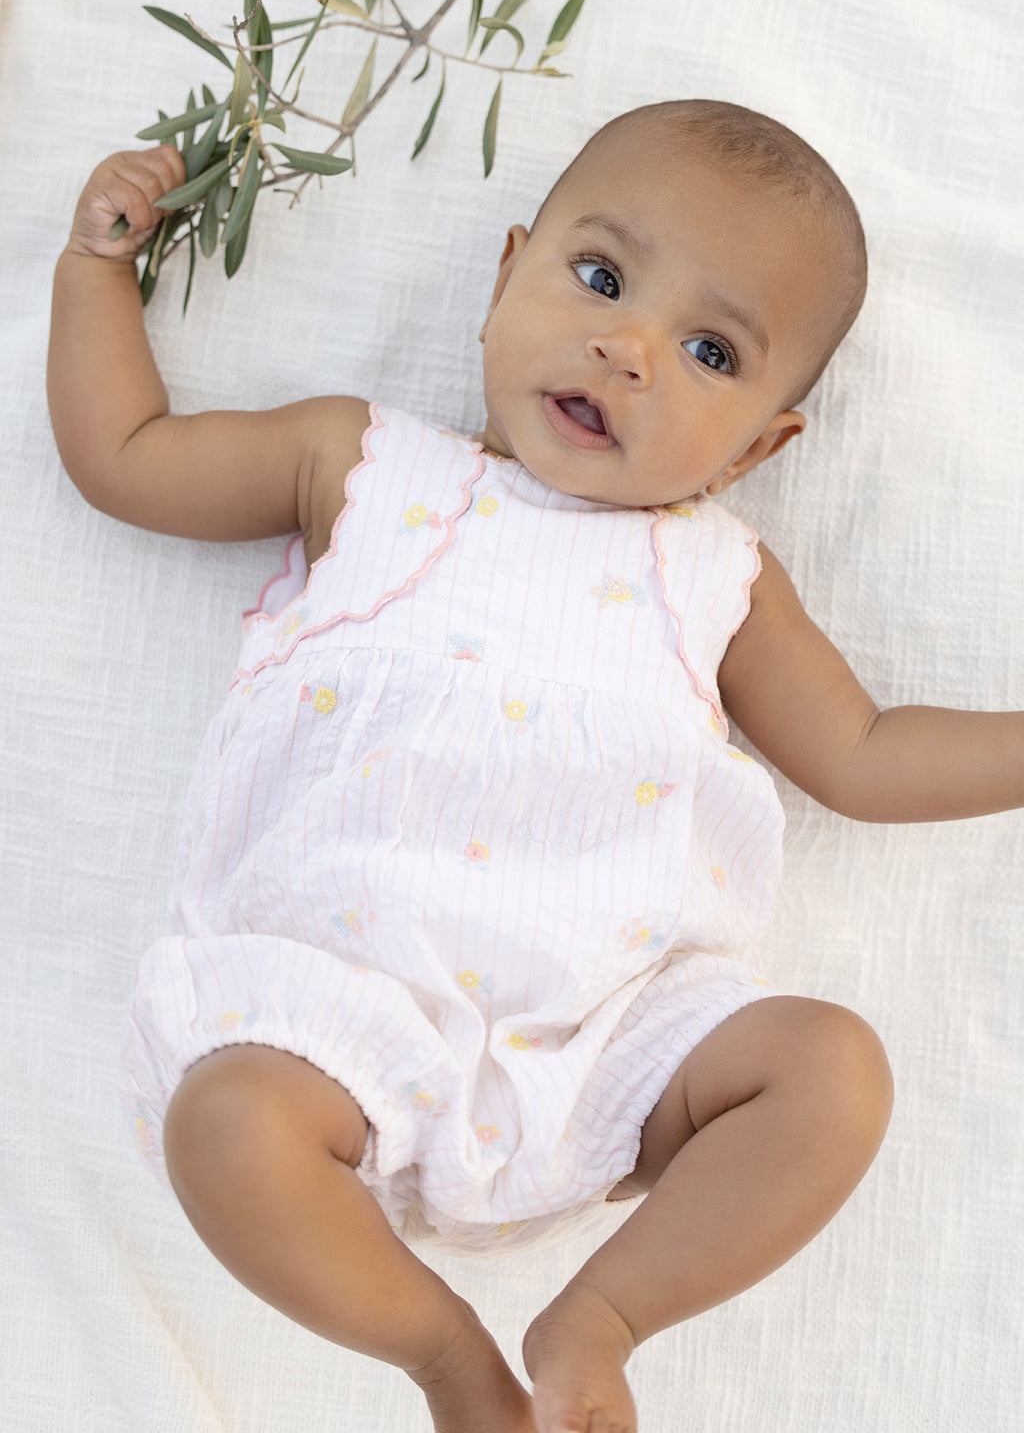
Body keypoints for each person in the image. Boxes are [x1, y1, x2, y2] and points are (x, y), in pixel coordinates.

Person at [46, 99, 1022, 1433]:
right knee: (222, 1126)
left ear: (756, 448)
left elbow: (865, 755)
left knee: (834, 1070)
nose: (628, 349)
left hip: (611, 1041)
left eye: (711, 351)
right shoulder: (364, 467)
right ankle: (452, 1362)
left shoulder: (719, 578)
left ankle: (601, 1321)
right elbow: (126, 457)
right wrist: (96, 272)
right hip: (336, 1016)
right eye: (602, 278)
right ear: (508, 276)